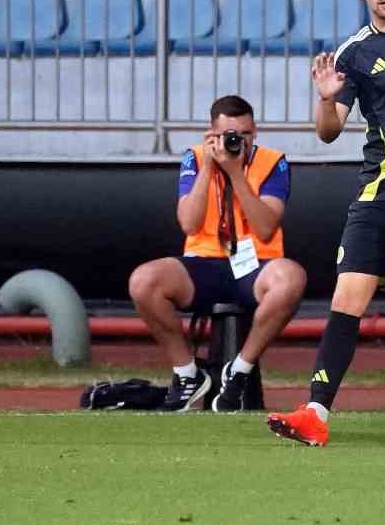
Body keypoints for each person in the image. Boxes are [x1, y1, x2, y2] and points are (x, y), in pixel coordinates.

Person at [266, 0, 385, 447]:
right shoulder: (354, 53)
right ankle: (315, 412)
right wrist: (324, 99)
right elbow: (328, 131)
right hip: (382, 193)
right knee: (347, 296)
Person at [129, 95, 308, 413]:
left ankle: (239, 371)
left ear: (255, 132)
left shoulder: (273, 161)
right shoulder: (195, 158)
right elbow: (188, 222)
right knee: (144, 281)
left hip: (256, 264)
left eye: (246, 134)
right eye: (230, 135)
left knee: (292, 278)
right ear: (212, 133)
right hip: (204, 261)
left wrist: (237, 174)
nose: (238, 141)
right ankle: (187, 375)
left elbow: (266, 228)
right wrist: (210, 165)